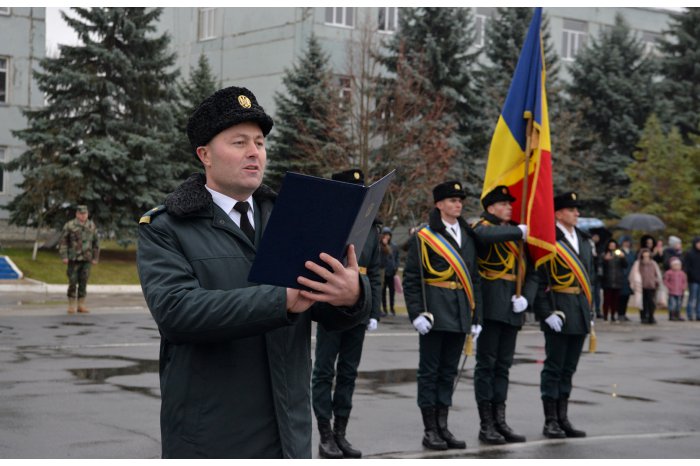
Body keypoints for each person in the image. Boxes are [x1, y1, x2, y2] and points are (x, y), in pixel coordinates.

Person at [136, 86, 371, 459]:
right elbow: (177, 312)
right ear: (205, 155)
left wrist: (353, 295)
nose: (254, 152)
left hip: (288, 432)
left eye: (260, 143)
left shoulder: (293, 220)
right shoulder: (168, 227)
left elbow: (326, 311)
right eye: (239, 142)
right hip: (213, 437)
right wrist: (281, 300)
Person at [403, 180, 482, 451]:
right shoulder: (425, 237)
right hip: (434, 313)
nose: (458, 204)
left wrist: (476, 317)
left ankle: (443, 426)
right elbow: (412, 278)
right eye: (452, 200)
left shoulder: (468, 235)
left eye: (460, 200)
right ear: (439, 204)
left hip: (460, 313)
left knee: (448, 373)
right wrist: (416, 314)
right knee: (429, 373)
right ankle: (430, 430)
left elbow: (474, 279)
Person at [311, 168, 382, 459]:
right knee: (324, 371)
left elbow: (374, 273)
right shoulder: (325, 224)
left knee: (349, 372)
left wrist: (373, 309)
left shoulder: (371, 229)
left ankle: (341, 432)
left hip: (359, 307)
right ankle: (325, 433)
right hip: (330, 305)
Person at [472, 185, 536, 444]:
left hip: (512, 308)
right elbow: (483, 236)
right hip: (491, 307)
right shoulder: (483, 227)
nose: (509, 207)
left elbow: (533, 272)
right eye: (503, 204)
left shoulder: (516, 233)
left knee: (503, 367)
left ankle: (500, 420)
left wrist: (527, 298)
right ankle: (486, 423)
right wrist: (518, 231)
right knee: (486, 366)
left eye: (510, 204)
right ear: (490, 208)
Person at [534, 192, 593, 439]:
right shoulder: (548, 240)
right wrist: (545, 313)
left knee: (569, 368)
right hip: (558, 309)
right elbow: (539, 279)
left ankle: (563, 418)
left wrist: (590, 311)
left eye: (577, 209)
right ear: (558, 213)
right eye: (571, 209)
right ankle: (550, 421)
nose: (577, 213)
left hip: (579, 310)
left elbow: (590, 278)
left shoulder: (583, 239)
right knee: (554, 367)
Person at [58, 205, 100, 314]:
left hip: (86, 258)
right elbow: (63, 242)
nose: (83, 216)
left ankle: (81, 305)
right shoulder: (70, 225)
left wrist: (95, 257)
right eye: (81, 214)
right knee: (72, 282)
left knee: (83, 282)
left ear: (87, 214)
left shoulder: (91, 225)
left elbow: (96, 243)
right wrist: (64, 256)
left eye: (85, 214)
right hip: (73, 258)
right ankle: (71, 305)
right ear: (77, 214)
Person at [630, 248, 664, 324]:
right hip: (641, 286)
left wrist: (657, 281)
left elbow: (657, 273)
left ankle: (651, 316)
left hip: (651, 285)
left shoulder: (653, 263)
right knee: (643, 302)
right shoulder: (638, 264)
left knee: (651, 302)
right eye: (644, 256)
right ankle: (643, 316)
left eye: (647, 256)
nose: (646, 257)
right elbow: (634, 274)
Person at [601, 239, 628, 322]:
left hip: (617, 280)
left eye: (614, 245)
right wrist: (605, 260)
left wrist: (623, 257)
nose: (612, 247)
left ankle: (613, 315)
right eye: (611, 245)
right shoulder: (604, 254)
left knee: (615, 300)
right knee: (607, 299)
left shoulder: (619, 254)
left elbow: (625, 265)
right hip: (607, 280)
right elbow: (600, 266)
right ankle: (605, 315)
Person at [379, 226, 400, 316]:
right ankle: (384, 308)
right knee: (382, 291)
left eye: (389, 235)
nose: (387, 236)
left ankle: (392, 307)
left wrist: (396, 266)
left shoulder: (394, 246)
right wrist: (384, 245)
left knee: (392, 291)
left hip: (391, 272)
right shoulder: (380, 246)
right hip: (383, 271)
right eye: (385, 234)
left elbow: (397, 257)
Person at [617, 236, 636, 322]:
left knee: (627, 296)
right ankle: (620, 313)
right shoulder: (619, 252)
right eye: (625, 242)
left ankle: (624, 313)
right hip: (621, 276)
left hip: (630, 275)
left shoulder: (631, 253)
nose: (627, 243)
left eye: (628, 242)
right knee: (620, 296)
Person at [663, 257, 687, 321]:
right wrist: (669, 287)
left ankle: (678, 315)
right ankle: (671, 315)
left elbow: (684, 281)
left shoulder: (682, 273)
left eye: (678, 265)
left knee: (678, 304)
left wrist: (683, 287)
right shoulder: (668, 273)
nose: (677, 266)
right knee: (672, 304)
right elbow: (665, 281)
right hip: (672, 292)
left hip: (680, 292)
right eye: (675, 265)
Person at [683, 237, 700, 321]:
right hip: (693, 280)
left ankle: (698, 314)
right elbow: (686, 267)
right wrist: (690, 275)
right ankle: (689, 314)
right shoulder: (689, 253)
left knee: (699, 299)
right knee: (692, 298)